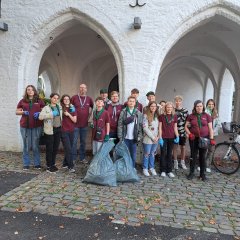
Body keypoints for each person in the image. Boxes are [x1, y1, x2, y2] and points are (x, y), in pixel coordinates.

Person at [16, 85, 45, 170]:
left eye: (32, 90)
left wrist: (39, 113)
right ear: (26, 91)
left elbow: (44, 110)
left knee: (35, 144)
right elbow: (17, 111)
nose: (30, 91)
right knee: (26, 145)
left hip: (37, 126)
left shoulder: (39, 101)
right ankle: (26, 163)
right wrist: (23, 112)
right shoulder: (22, 101)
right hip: (25, 126)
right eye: (28, 90)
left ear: (34, 91)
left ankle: (37, 163)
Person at [185, 100, 215, 181]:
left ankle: (202, 175)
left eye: (200, 106)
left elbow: (210, 128)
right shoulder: (191, 116)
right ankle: (191, 173)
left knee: (203, 157)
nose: (199, 108)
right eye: (197, 106)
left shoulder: (207, 116)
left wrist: (211, 138)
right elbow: (186, 127)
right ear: (195, 107)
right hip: (194, 139)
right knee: (193, 156)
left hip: (204, 139)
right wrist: (190, 134)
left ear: (203, 107)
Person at [39, 93, 62, 173]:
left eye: (57, 98)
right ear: (51, 98)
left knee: (55, 148)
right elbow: (40, 117)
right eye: (54, 98)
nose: (55, 99)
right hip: (49, 130)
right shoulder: (46, 107)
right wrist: (51, 114)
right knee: (49, 148)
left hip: (58, 129)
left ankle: (53, 164)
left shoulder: (59, 107)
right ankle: (49, 166)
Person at [71, 84, 94, 163]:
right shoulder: (74, 98)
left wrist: (90, 117)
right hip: (75, 124)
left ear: (86, 89)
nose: (82, 89)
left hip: (84, 125)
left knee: (83, 142)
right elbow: (69, 107)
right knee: (74, 142)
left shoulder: (89, 99)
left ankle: (82, 158)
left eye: (84, 88)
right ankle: (73, 158)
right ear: (79, 89)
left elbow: (94, 108)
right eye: (81, 87)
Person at [118, 96, 143, 168]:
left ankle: (132, 169)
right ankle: (125, 168)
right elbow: (120, 125)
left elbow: (140, 126)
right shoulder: (123, 112)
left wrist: (139, 136)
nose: (131, 102)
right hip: (125, 137)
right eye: (130, 101)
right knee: (124, 154)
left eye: (133, 101)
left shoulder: (138, 113)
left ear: (135, 103)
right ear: (127, 102)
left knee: (133, 155)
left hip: (134, 138)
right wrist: (120, 136)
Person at [158, 102, 179, 178]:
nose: (169, 109)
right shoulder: (161, 116)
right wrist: (160, 137)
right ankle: (163, 170)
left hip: (171, 137)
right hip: (163, 137)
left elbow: (175, 128)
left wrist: (177, 136)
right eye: (168, 107)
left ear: (172, 108)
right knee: (163, 153)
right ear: (165, 108)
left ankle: (169, 170)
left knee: (170, 154)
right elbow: (160, 127)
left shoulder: (175, 116)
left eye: (170, 107)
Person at [60, 94, 77, 173]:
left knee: (69, 148)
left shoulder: (72, 108)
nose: (66, 100)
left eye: (68, 99)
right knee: (69, 149)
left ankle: (65, 163)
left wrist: (69, 114)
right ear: (62, 101)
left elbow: (74, 120)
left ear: (70, 100)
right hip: (64, 131)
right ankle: (71, 166)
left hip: (71, 131)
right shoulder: (60, 108)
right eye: (64, 99)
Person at [142, 101, 159, 176]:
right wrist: (152, 137)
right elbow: (145, 128)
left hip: (156, 139)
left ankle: (151, 167)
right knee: (147, 154)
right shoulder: (145, 116)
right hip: (148, 139)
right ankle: (145, 168)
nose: (153, 108)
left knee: (152, 154)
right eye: (152, 106)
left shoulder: (157, 116)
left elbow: (159, 128)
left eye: (155, 106)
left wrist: (158, 137)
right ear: (149, 107)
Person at [205, 99, 221, 173]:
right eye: (209, 104)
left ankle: (208, 166)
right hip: (205, 134)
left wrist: (212, 132)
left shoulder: (216, 113)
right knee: (204, 149)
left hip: (214, 134)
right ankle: (202, 165)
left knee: (211, 150)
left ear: (214, 105)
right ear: (207, 105)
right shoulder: (204, 113)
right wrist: (208, 131)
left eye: (212, 104)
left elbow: (218, 124)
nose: (211, 106)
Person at [173, 95, 188, 170]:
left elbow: (187, 121)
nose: (177, 102)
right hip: (174, 131)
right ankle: (175, 162)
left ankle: (182, 162)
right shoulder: (173, 110)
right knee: (175, 147)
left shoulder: (185, 110)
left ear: (181, 101)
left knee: (183, 147)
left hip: (183, 132)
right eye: (176, 101)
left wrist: (187, 132)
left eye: (179, 101)